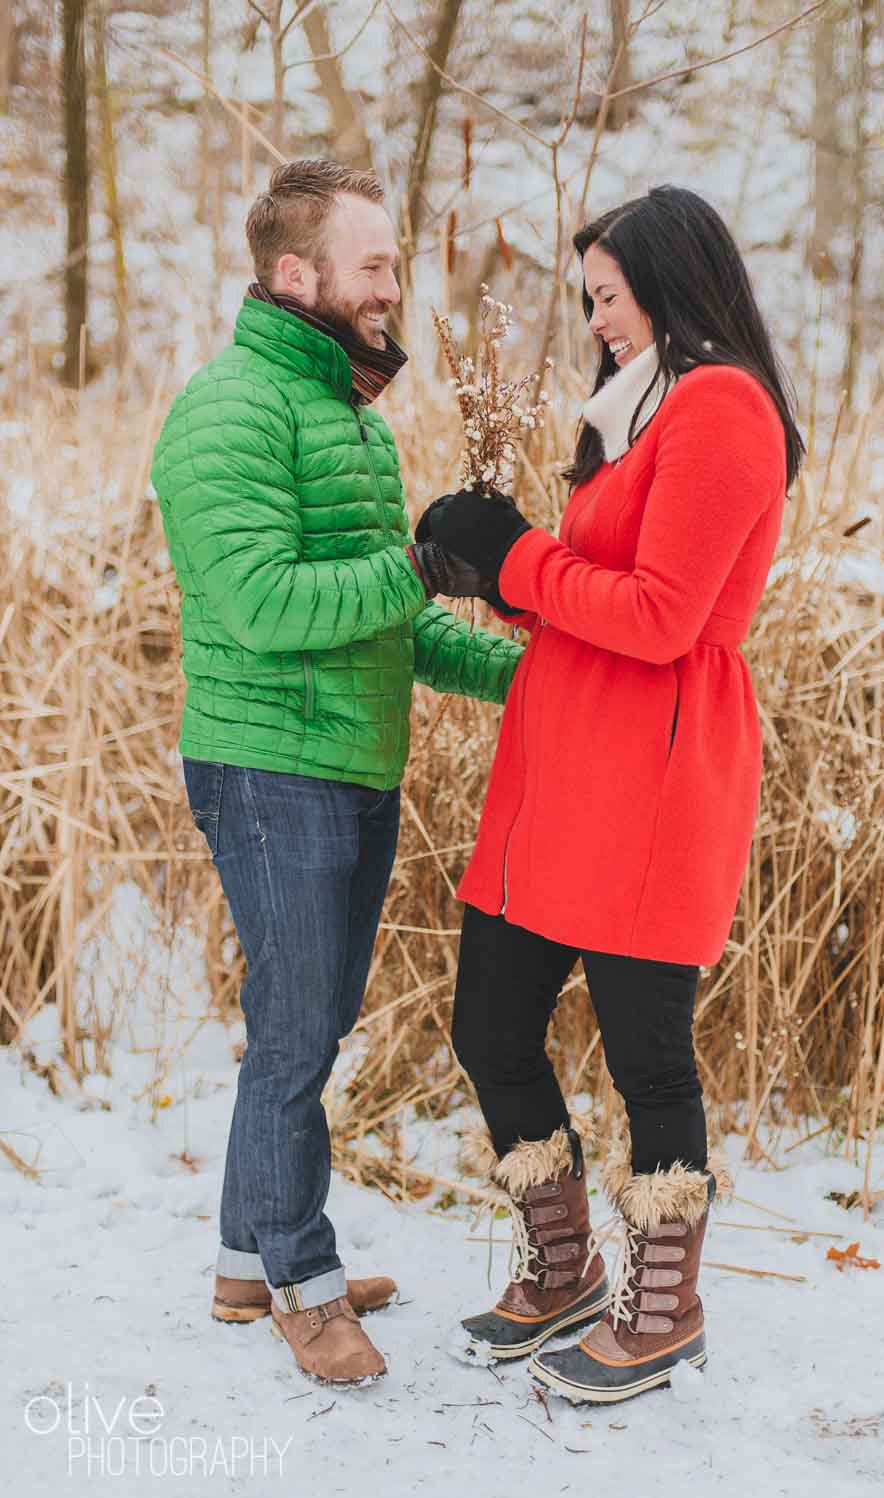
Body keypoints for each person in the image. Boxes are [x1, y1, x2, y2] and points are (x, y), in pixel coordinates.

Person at [418, 185, 805, 1403]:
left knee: (648, 1058)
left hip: (651, 769)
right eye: (586, 300)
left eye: (610, 295)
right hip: (562, 763)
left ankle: (665, 1305)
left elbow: (661, 615)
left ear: (674, 281)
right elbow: (586, 583)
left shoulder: (723, 406)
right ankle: (566, 1266)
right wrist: (496, 559)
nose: (598, 320)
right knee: (489, 1025)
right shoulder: (632, 417)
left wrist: (518, 557)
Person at [151, 158, 520, 1388]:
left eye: (395, 266)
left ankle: (242, 1263)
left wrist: (536, 674)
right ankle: (303, 1281)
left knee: (299, 1027)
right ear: (294, 273)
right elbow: (263, 602)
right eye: (373, 266)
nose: (392, 288)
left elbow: (386, 620)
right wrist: (418, 565)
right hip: (269, 765)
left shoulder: (347, 416)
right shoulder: (230, 410)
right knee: (298, 1036)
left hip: (349, 758)